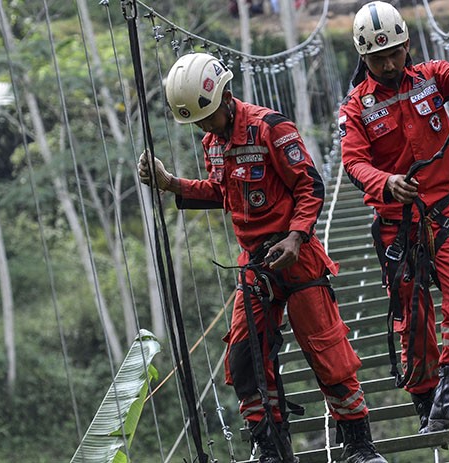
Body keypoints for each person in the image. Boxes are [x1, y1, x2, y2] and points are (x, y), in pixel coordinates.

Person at [138, 52, 387, 463]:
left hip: (298, 255)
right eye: (197, 122)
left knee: (328, 353)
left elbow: (310, 186)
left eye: (208, 117)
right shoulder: (212, 144)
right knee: (244, 359)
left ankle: (359, 444)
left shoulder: (271, 128)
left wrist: (294, 237)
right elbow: (222, 193)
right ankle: (271, 448)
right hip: (255, 265)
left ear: (227, 96)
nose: (204, 126)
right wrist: (170, 184)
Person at [338, 1, 449, 434]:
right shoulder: (355, 108)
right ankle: (427, 405)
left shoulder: (432, 78)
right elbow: (353, 163)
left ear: (407, 45)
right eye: (377, 58)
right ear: (363, 58)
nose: (388, 64)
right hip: (397, 226)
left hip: (444, 212)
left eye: (395, 53)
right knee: (415, 320)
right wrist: (386, 183)